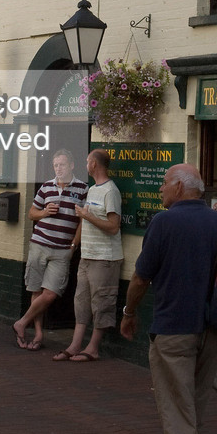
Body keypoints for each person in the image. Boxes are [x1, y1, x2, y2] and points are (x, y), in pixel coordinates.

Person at [119, 163, 217, 434]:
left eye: (165, 183)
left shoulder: (163, 223)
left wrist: (128, 312)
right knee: (192, 407)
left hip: (173, 329)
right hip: (211, 328)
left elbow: (140, 278)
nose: (161, 189)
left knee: (179, 411)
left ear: (181, 187)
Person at [12, 149, 86, 352]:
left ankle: (21, 322)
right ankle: (38, 333)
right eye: (55, 165)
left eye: (62, 164)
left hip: (62, 249)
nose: (58, 169)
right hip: (39, 244)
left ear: (71, 165)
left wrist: (73, 246)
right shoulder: (46, 187)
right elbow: (31, 214)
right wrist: (44, 212)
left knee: (51, 293)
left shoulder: (82, 189)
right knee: (36, 290)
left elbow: (82, 222)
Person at [55, 148, 124, 363]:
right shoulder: (93, 189)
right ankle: (75, 345)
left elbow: (114, 226)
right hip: (87, 256)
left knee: (101, 303)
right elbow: (86, 221)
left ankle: (93, 347)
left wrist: (86, 216)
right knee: (81, 301)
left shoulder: (110, 191)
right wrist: (76, 243)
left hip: (105, 258)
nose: (86, 165)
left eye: (87, 161)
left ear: (94, 164)